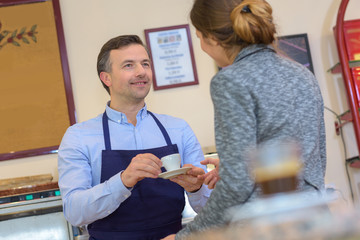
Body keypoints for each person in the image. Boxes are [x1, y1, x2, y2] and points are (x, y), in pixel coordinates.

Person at [163, 0, 327, 239]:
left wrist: (186, 236)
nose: (202, 46)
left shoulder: (229, 81)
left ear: (213, 38)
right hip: (314, 220)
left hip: (267, 227)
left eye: (199, 37)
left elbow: (237, 185)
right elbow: (315, 159)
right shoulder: (301, 73)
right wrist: (248, 168)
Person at [57, 35, 212, 240]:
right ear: (106, 78)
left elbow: (211, 209)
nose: (141, 72)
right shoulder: (79, 137)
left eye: (145, 64)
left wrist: (197, 189)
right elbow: (74, 212)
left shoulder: (178, 129)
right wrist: (123, 181)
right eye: (129, 65)